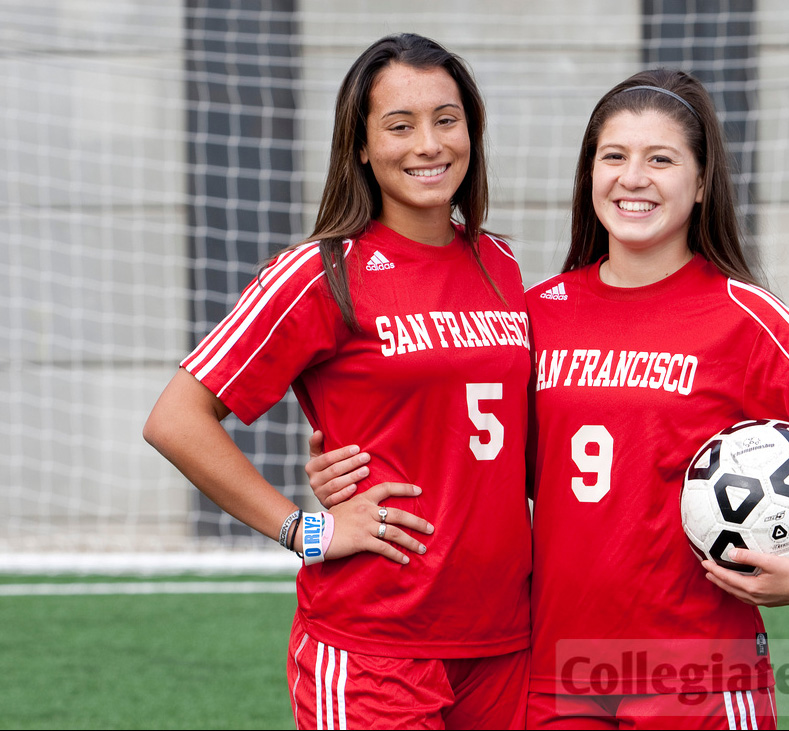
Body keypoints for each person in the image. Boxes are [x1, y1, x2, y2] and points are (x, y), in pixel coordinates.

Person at [307, 68, 789, 730]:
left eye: (661, 159)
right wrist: (348, 464)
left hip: (699, 672)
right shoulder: (533, 312)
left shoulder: (746, 317)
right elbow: (471, 446)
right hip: (554, 674)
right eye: (614, 156)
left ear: (702, 182)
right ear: (588, 173)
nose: (633, 178)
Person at [143, 33, 533, 730]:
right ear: (358, 144)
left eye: (446, 119)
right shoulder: (319, 273)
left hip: (504, 640)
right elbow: (176, 418)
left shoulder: (498, 261)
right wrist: (305, 530)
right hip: (374, 646)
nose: (428, 144)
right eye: (399, 125)